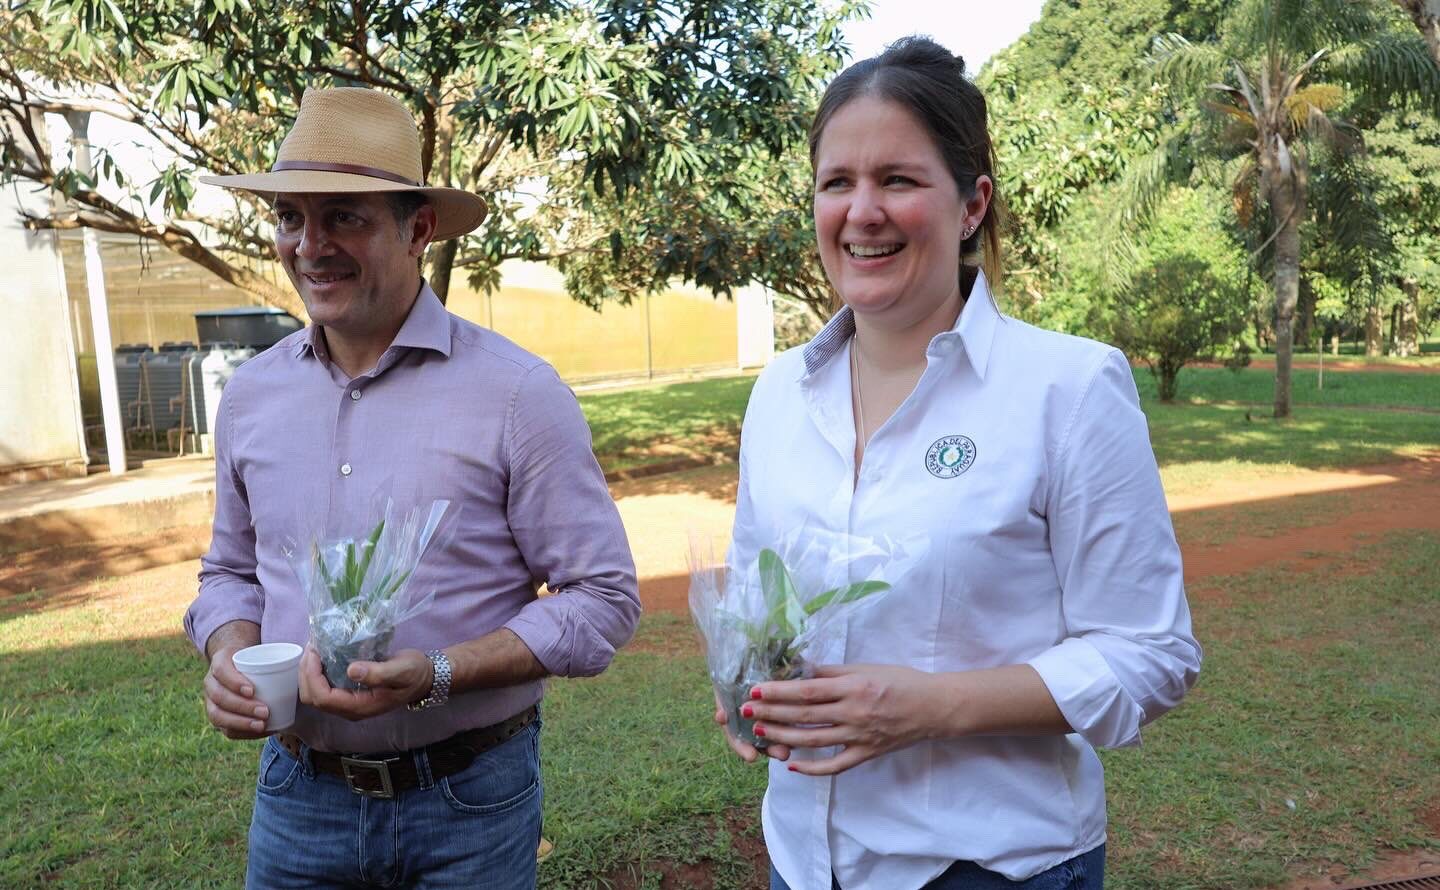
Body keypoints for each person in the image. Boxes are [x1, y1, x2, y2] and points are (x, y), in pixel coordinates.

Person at [714, 37, 1202, 890]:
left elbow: (1150, 654)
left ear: (972, 204)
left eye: (897, 180)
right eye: (838, 183)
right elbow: (762, 600)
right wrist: (751, 683)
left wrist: (928, 708)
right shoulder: (780, 393)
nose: (861, 211)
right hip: (803, 857)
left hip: (987, 864)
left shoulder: (1069, 387)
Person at [184, 86, 640, 889]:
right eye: (291, 217)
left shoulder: (515, 394)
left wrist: (441, 670)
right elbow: (227, 573)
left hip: (469, 802)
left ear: (417, 229)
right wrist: (229, 654)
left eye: (344, 217)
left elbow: (602, 600)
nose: (308, 246)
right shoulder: (251, 396)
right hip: (296, 798)